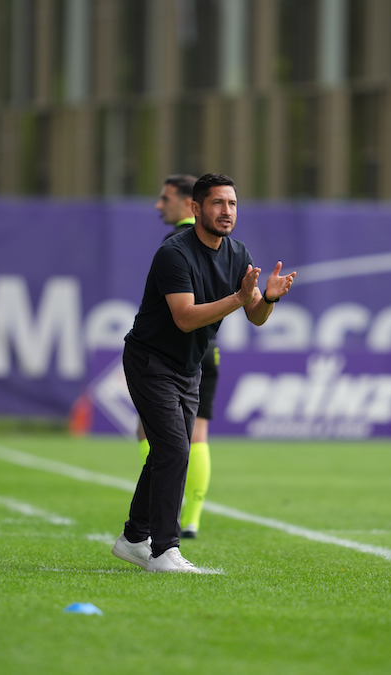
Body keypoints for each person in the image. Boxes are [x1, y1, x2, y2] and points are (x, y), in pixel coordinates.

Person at [112, 173, 295, 573]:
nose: (226, 211)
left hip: (188, 367)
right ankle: (164, 550)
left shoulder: (237, 251)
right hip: (150, 360)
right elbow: (184, 318)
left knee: (167, 451)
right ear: (196, 209)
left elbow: (256, 316)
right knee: (176, 450)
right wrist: (238, 297)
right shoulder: (174, 253)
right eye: (217, 203)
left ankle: (132, 538)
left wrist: (269, 299)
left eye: (231, 204)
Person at [137, 173, 214, 540]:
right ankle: (192, 517)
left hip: (172, 355)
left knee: (154, 436)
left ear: (189, 204)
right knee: (195, 435)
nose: (158, 205)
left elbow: (178, 311)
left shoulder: (178, 243)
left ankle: (165, 509)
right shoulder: (218, 245)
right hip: (205, 350)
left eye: (165, 198)